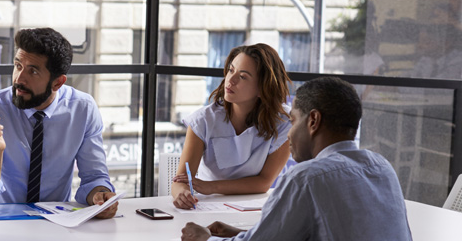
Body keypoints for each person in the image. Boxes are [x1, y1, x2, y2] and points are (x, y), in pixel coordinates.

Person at [181, 77, 412, 241]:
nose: (289, 134)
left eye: (293, 121)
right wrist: (244, 234)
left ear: (313, 121)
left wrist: (204, 239)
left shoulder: (307, 178)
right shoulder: (383, 167)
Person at [0, 27, 118, 219]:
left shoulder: (83, 109)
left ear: (58, 83)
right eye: (18, 66)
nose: (19, 79)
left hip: (56, 224)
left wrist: (100, 197)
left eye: (33, 71)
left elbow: (94, 178)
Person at [172, 44, 292, 209]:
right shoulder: (203, 121)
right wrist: (182, 194)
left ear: (262, 88)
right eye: (230, 70)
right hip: (208, 205)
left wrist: (211, 187)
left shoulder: (284, 122)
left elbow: (264, 182)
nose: (231, 80)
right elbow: (181, 181)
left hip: (254, 207)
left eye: (242, 76)